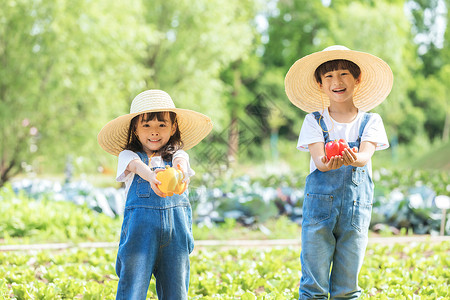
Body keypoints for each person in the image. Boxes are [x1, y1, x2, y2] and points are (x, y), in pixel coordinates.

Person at [285, 45, 393, 299]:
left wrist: (352, 158)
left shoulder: (371, 121)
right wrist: (330, 161)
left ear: (357, 79)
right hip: (319, 211)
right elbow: (320, 162)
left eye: (344, 74)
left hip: (356, 211)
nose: (337, 81)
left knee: (347, 287)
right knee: (314, 285)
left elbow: (365, 156)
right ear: (320, 84)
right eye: (329, 76)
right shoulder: (315, 121)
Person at [97, 89, 213, 300]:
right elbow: (135, 166)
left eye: (162, 125)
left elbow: (182, 161)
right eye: (147, 125)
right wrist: (151, 176)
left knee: (176, 290)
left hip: (175, 237)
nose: (154, 132)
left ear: (173, 127)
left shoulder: (178, 154)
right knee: (133, 285)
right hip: (141, 237)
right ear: (135, 128)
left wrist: (180, 171)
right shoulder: (129, 156)